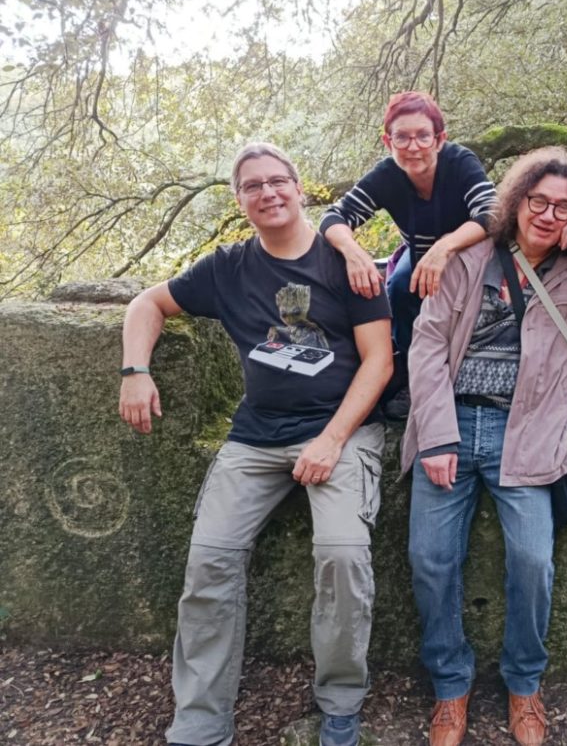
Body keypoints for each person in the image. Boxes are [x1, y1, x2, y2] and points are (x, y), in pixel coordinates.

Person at [118, 143, 393, 746]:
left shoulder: (346, 261)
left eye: (277, 181)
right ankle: (200, 720)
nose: (267, 193)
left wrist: (331, 441)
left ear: (300, 188)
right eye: (252, 186)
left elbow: (379, 361)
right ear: (240, 201)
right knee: (208, 561)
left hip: (342, 432)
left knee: (343, 556)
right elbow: (147, 303)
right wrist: (135, 371)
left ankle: (340, 703)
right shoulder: (227, 268)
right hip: (256, 437)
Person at [401, 147, 567, 746]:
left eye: (563, 207)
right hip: (450, 426)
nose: (547, 214)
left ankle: (524, 684)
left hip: (530, 435)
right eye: (538, 201)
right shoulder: (469, 259)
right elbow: (427, 346)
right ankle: (450, 686)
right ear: (517, 202)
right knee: (431, 560)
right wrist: (436, 435)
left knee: (532, 562)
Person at [319, 91, 497, 417]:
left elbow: (492, 213)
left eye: (423, 136)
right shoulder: (387, 175)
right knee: (401, 287)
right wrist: (353, 252)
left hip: (470, 255)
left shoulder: (460, 162)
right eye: (402, 137)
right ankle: (413, 375)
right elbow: (334, 217)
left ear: (439, 139)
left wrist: (445, 247)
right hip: (418, 257)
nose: (413, 146)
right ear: (388, 142)